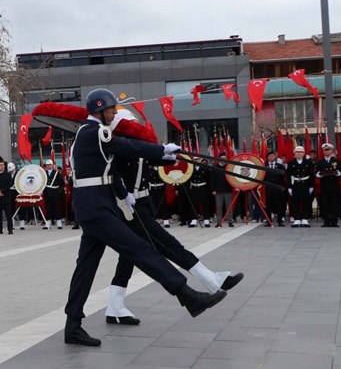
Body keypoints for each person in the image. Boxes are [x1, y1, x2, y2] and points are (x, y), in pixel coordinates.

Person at [63, 89, 226, 346]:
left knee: (86, 266)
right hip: (96, 208)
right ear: (98, 109)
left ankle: (72, 325)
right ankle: (187, 295)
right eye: (111, 110)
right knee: (139, 248)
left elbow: (122, 156)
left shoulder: (90, 133)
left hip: (94, 205)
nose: (114, 113)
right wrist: (161, 149)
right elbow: (125, 146)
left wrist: (162, 155)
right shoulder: (95, 132)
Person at [103, 111, 244, 325]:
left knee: (128, 257)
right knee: (168, 244)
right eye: (131, 123)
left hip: (142, 204)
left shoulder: (134, 143)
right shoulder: (119, 145)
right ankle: (210, 280)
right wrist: (123, 195)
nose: (136, 126)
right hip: (130, 207)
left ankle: (115, 306)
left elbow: (148, 160)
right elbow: (114, 172)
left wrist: (170, 156)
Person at [315, 142, 341, 227]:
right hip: (324, 185)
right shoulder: (320, 162)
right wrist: (320, 174)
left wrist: (337, 173)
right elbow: (316, 173)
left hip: (334, 185)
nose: (326, 152)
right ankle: (326, 221)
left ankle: (334, 221)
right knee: (325, 203)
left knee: (335, 203)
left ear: (331, 151)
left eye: (328, 150)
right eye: (325, 150)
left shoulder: (336, 161)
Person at [286, 146, 314, 227]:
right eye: (297, 152)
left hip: (305, 184)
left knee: (306, 202)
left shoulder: (308, 162)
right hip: (295, 184)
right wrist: (289, 187)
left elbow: (311, 175)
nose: (299, 153)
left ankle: (305, 219)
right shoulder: (291, 163)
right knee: (295, 202)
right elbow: (288, 175)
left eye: (301, 152)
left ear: (304, 153)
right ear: (294, 153)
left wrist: (311, 186)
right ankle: (297, 219)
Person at [262, 151, 287, 227]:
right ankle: (268, 221)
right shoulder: (264, 166)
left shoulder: (280, 166)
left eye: (272, 156)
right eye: (269, 156)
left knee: (279, 205)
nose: (271, 157)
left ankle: (280, 221)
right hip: (268, 189)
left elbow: (283, 177)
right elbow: (263, 177)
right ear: (267, 158)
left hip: (278, 189)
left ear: (275, 157)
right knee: (268, 205)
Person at [0, 161, 14, 234]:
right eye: (0, 165)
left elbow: (9, 184)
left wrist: (2, 191)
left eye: (3, 165)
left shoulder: (7, 175)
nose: (2, 166)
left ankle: (10, 229)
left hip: (6, 196)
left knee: (8, 214)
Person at [42, 159, 65, 230]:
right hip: (47, 192)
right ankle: (48, 222)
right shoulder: (44, 173)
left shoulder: (57, 173)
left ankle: (59, 222)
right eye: (47, 165)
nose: (49, 166)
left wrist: (59, 191)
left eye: (50, 165)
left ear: (52, 165)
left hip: (55, 192)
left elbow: (62, 183)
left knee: (57, 207)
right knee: (48, 208)